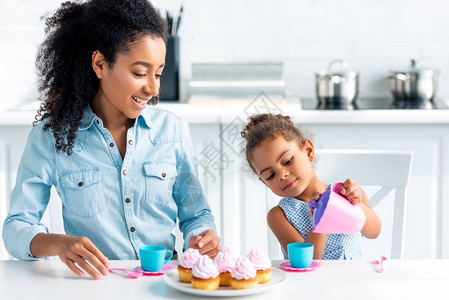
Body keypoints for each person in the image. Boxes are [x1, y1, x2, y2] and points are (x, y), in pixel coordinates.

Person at [2, 0, 220, 279]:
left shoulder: (172, 130)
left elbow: (196, 214)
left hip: (164, 281)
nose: (153, 89)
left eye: (158, 73)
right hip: (96, 285)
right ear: (100, 64)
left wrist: (203, 236)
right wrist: (57, 243)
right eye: (140, 73)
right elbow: (16, 226)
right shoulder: (51, 138)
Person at [240, 113, 381, 260]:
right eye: (270, 175)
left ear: (308, 151)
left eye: (287, 161)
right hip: (313, 283)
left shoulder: (343, 193)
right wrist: (321, 220)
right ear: (264, 182)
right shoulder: (279, 216)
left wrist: (356, 204)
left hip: (355, 279)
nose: (282, 175)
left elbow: (374, 232)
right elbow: (306, 260)